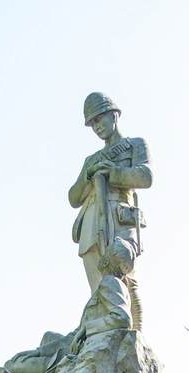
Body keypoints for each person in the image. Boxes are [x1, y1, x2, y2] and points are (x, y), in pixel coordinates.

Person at [68, 92, 151, 328]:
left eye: (100, 118)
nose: (97, 126)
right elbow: (73, 197)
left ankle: (134, 334)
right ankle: (104, 331)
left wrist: (113, 172)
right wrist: (88, 175)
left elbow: (146, 176)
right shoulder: (90, 160)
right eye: (92, 123)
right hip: (92, 224)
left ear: (114, 114)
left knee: (126, 277)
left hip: (120, 218)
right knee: (100, 288)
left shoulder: (135, 145)